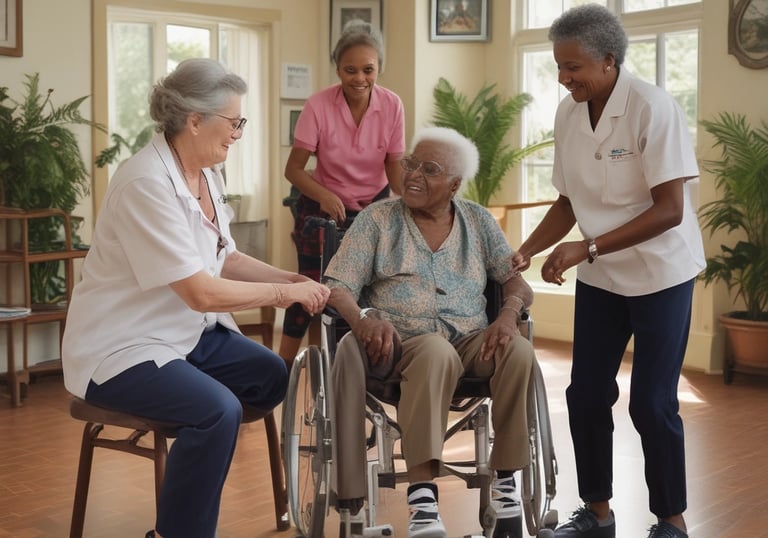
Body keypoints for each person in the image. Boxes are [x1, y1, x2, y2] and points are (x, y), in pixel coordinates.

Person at [61, 58, 330, 538]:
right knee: (217, 411)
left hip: (184, 336)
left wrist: (292, 278)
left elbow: (225, 256)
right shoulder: (146, 183)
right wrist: (284, 293)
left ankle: (198, 442)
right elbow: (200, 292)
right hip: (121, 348)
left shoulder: (207, 174)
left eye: (241, 123)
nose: (238, 133)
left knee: (271, 374)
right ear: (194, 120)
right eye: (234, 122)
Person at [512, 6, 704, 538]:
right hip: (601, 276)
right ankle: (597, 514)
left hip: (661, 272)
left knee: (652, 402)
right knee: (586, 395)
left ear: (608, 61)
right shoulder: (569, 114)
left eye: (573, 67)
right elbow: (567, 202)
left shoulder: (651, 107)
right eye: (558, 66)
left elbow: (670, 210)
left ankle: (671, 521)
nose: (563, 78)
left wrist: (587, 247)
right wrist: (524, 251)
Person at [323, 126, 536, 538]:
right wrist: (364, 317)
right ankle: (422, 497)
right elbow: (338, 286)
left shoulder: (478, 220)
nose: (413, 175)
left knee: (518, 349)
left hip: (471, 341)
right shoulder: (378, 219)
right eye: (411, 164)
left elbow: (515, 282)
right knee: (437, 350)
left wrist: (508, 314)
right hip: (401, 346)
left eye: (430, 169)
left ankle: (506, 481)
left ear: (455, 185)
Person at [279, 19, 405, 368]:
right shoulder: (318, 105)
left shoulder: (392, 105)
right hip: (322, 209)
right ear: (337, 69)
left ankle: (357, 369)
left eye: (368, 69)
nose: (359, 78)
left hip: (373, 210)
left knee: (366, 293)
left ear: (379, 68)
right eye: (350, 70)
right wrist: (323, 195)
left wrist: (410, 201)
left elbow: (394, 166)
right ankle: (281, 371)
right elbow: (293, 169)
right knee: (309, 290)